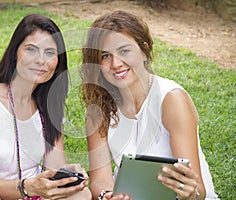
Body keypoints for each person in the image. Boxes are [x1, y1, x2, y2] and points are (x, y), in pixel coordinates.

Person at [80, 11, 218, 200]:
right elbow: (99, 180)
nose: (116, 63)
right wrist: (107, 196)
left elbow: (198, 190)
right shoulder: (98, 111)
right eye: (105, 55)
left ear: (144, 50)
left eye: (124, 51)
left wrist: (189, 194)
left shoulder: (171, 100)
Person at [0, 13, 91, 200]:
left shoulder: (47, 105)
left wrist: (66, 174)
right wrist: (28, 187)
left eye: (49, 53)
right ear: (15, 53)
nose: (41, 60)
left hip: (31, 196)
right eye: (31, 50)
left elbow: (53, 167)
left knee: (81, 194)